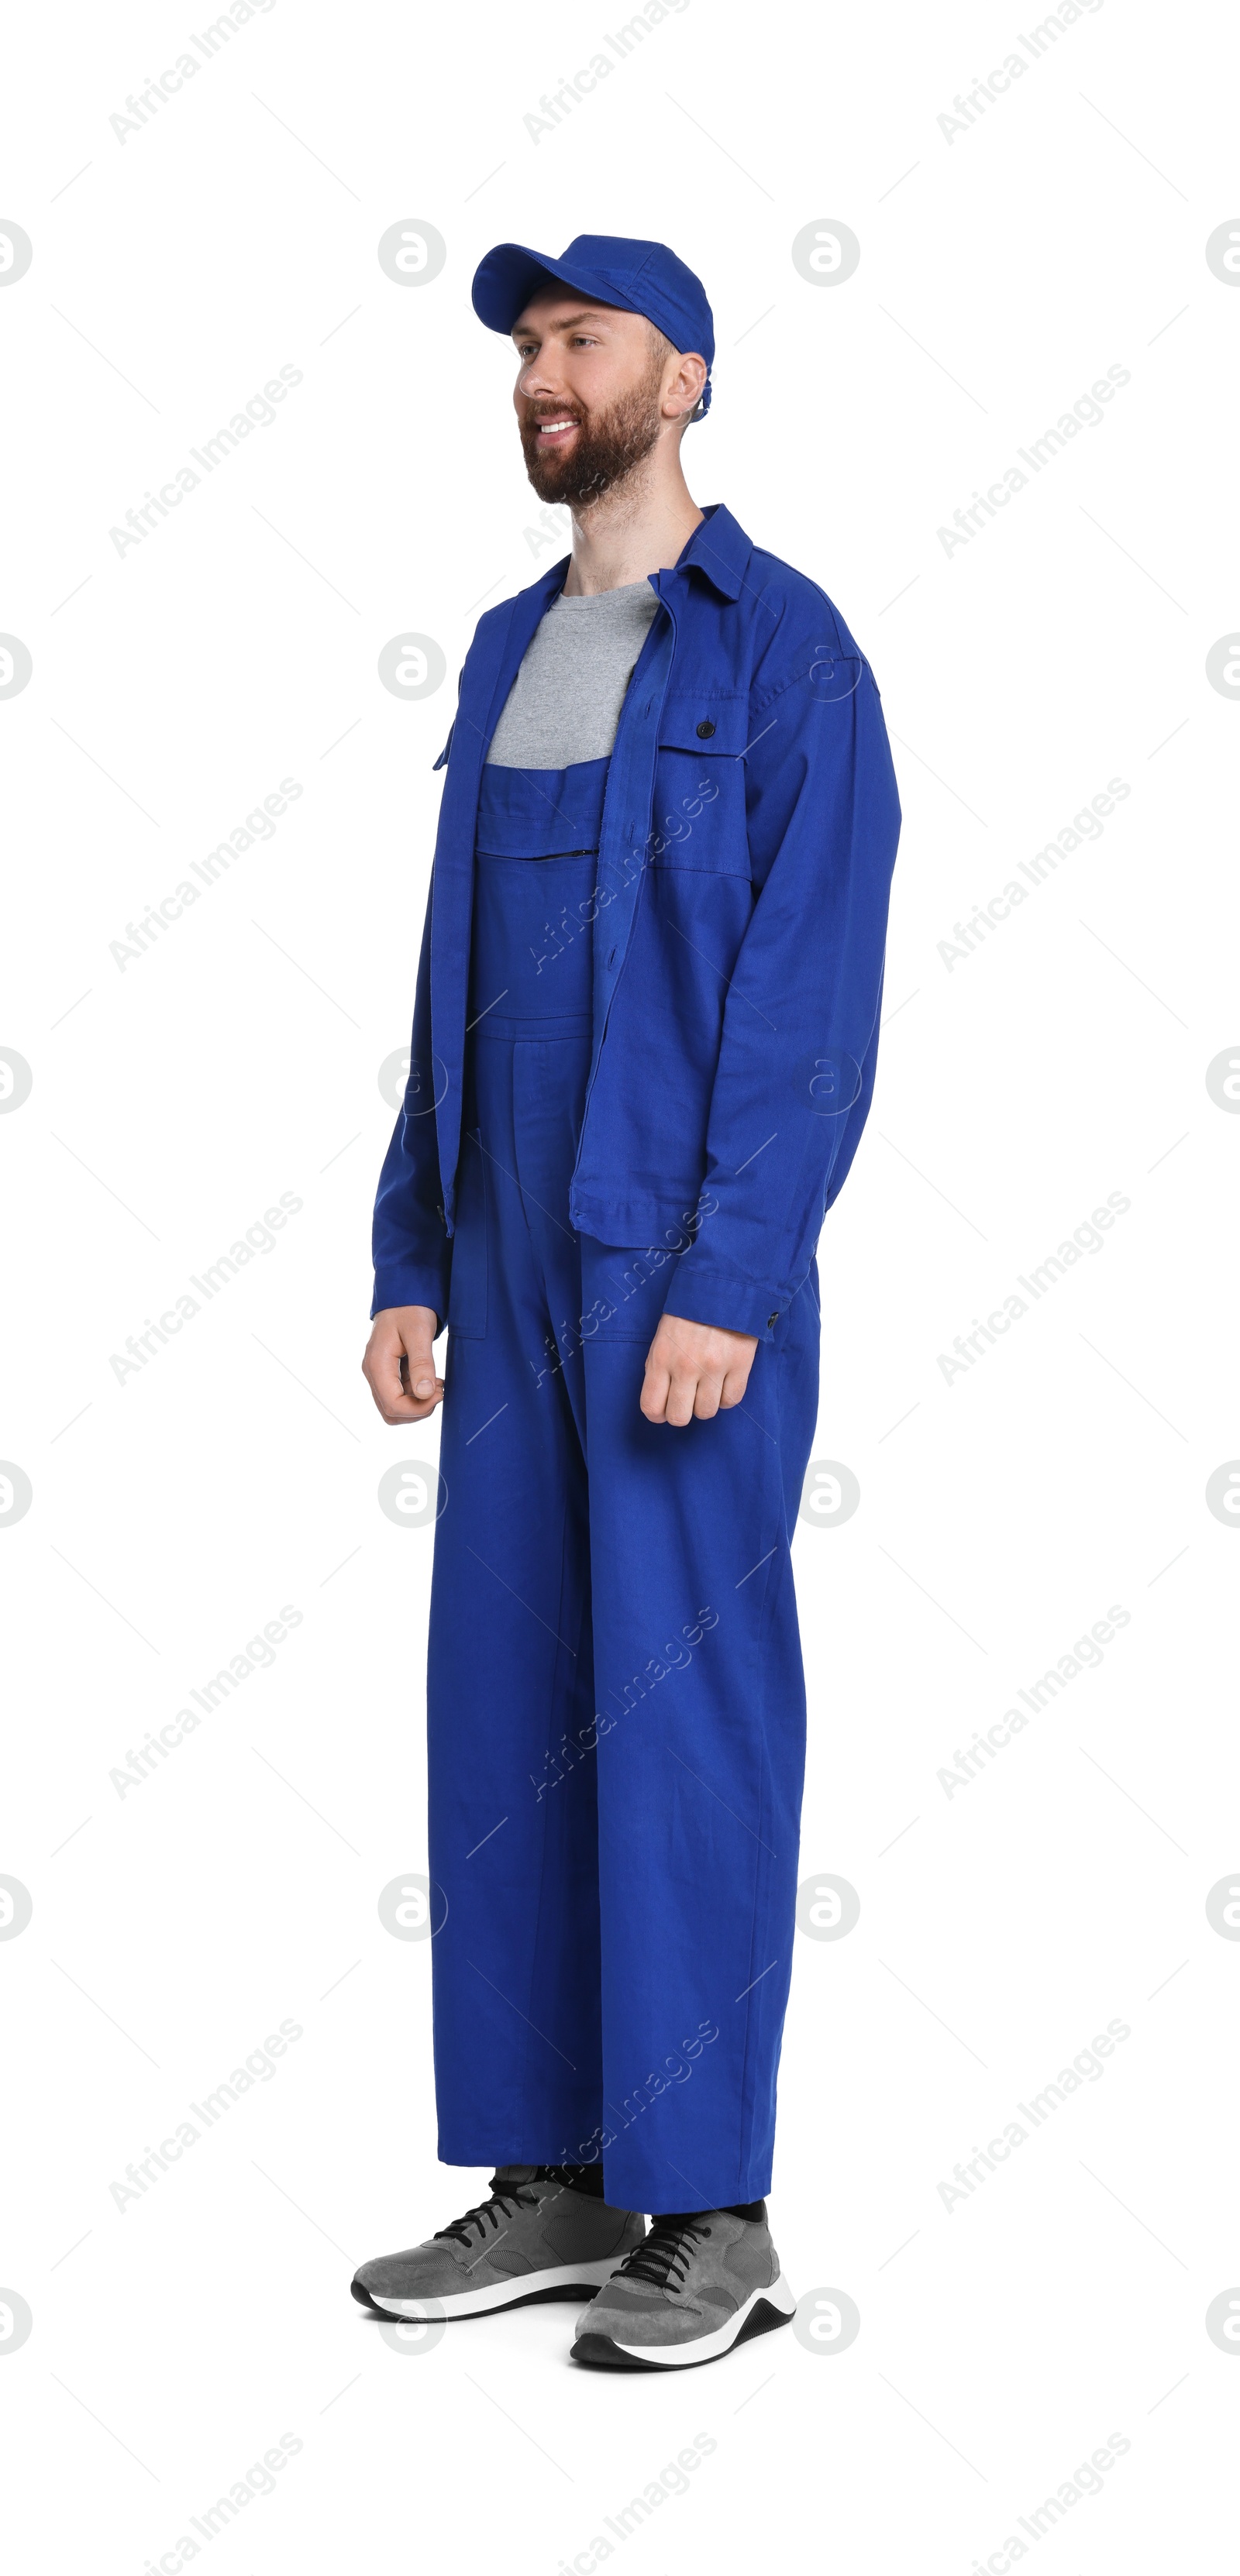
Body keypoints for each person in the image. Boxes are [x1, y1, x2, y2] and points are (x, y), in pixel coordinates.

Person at [353, 236, 901, 2369]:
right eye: (524, 348)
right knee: (506, 1718)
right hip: (503, 1262)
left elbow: (807, 997)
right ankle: (556, 2178)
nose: (540, 376)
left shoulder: (782, 652)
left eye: (579, 341)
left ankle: (715, 2211)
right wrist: (411, 1250)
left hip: (679, 1266)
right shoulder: (506, 649)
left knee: (679, 1720)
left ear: (685, 375)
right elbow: (448, 980)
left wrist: (735, 1276)